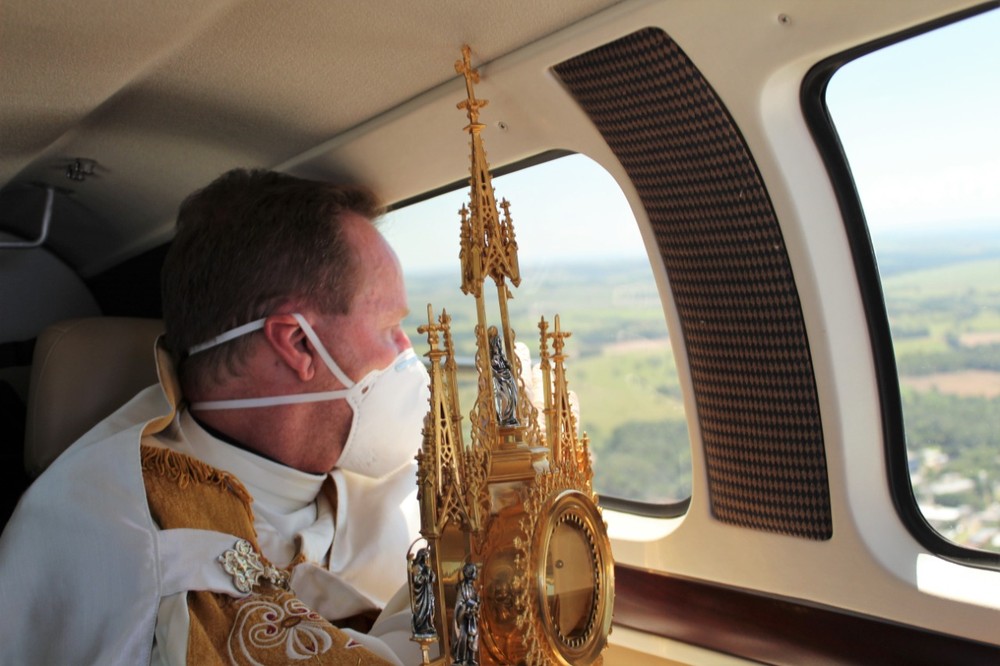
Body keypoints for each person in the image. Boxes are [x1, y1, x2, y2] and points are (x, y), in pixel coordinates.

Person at [0, 169, 430, 665]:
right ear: (297, 343)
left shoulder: (408, 498)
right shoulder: (105, 527)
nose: (406, 351)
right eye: (390, 326)